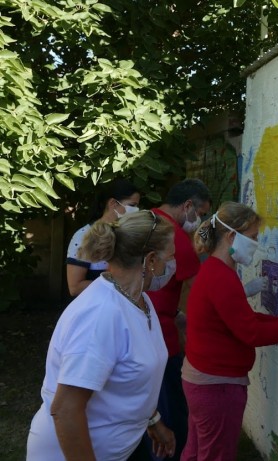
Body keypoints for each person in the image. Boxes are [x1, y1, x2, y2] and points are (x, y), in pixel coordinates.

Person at [27, 210, 176, 460]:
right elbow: (65, 410)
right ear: (150, 260)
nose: (171, 266)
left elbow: (130, 376)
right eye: (169, 258)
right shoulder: (101, 315)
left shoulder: (139, 299)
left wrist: (152, 419)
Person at [182, 201, 278, 461]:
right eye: (253, 238)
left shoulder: (215, 270)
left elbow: (244, 319)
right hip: (216, 387)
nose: (256, 244)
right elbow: (251, 332)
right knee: (215, 455)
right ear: (231, 235)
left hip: (203, 381)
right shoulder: (220, 277)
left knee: (197, 451)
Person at [145, 178, 212, 461]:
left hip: (151, 324)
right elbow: (202, 295)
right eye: (202, 214)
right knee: (171, 414)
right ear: (188, 206)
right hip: (162, 336)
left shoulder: (146, 219)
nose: (201, 222)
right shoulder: (176, 239)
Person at [66, 178, 140, 296]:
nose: (136, 210)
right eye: (132, 205)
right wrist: (118, 283)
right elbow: (75, 287)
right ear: (113, 203)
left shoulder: (129, 233)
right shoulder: (83, 236)